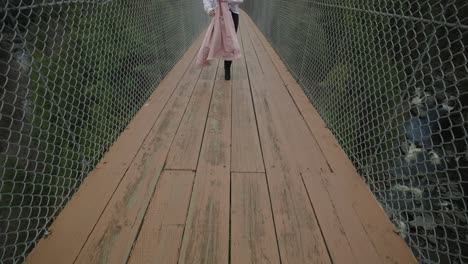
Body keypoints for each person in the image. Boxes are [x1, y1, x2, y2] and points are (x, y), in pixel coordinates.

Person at [203, 0, 242, 80]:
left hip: (233, 14)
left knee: (230, 43)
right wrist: (209, 9)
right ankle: (208, 54)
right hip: (218, 14)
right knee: (214, 39)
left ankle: (227, 68)